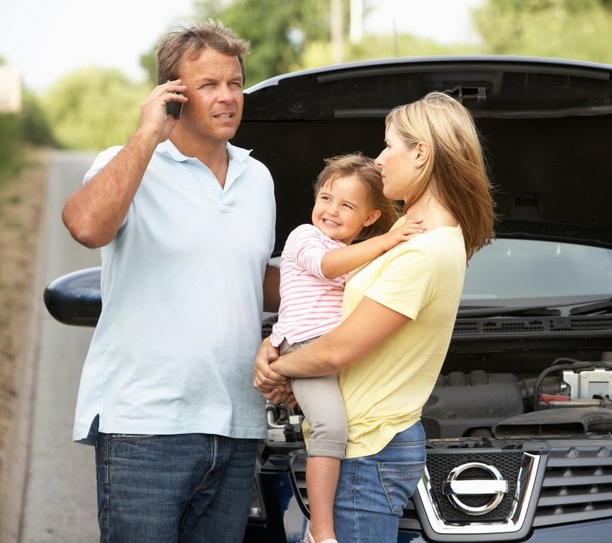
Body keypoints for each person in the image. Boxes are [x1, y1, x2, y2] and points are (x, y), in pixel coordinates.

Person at [61, 20, 278, 542]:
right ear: (172, 96)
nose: (228, 98)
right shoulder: (127, 163)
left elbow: (254, 281)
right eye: (208, 85)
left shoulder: (259, 178)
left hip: (238, 425)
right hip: (146, 426)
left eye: (234, 83)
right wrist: (146, 136)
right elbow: (87, 226)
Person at [254, 91, 495, 542]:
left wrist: (274, 368)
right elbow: (319, 300)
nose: (379, 160)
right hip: (365, 444)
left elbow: (338, 349)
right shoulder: (418, 242)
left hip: (369, 450)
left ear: (420, 153)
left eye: (389, 146)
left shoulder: (421, 253)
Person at [271, 153, 425, 543]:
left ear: (370, 217)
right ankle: (320, 533)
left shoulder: (359, 256)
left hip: (339, 353)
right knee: (330, 428)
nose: (331, 210)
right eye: (326, 198)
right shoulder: (306, 238)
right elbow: (327, 266)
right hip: (306, 349)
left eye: (347, 204)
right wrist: (390, 241)